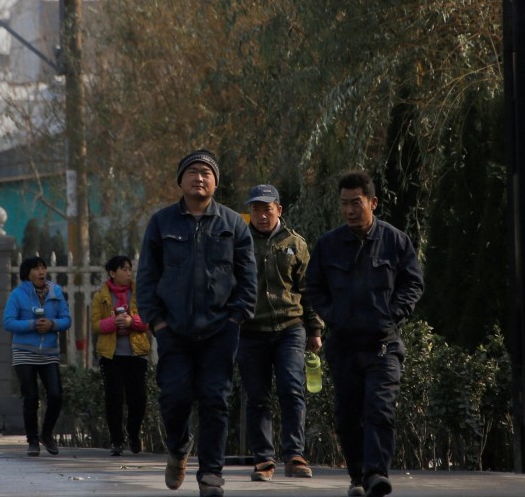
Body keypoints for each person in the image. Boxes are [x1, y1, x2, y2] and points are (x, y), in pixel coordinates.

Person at [136, 149, 257, 497]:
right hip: (172, 329)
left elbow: (248, 278)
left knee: (215, 400)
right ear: (181, 181)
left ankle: (211, 475)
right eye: (192, 172)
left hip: (220, 330)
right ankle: (178, 448)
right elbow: (147, 278)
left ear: (216, 182)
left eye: (206, 172)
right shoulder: (162, 223)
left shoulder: (234, 224)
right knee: (174, 397)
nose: (199, 178)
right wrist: (156, 322)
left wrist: (236, 318)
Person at [306, 171, 424, 497]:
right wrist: (331, 316)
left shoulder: (396, 241)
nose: (349, 211)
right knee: (347, 415)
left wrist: (392, 314)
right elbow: (314, 287)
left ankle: (376, 474)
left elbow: (412, 284)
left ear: (372, 202)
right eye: (344, 204)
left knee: (379, 408)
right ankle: (357, 475)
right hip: (343, 344)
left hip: (382, 344)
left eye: (355, 203)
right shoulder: (328, 245)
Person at [236, 183, 324, 482]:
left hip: (290, 328)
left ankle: (295, 454)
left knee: (291, 388)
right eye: (256, 209)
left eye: (267, 208)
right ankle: (264, 459)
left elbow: (308, 289)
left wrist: (315, 329)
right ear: (250, 212)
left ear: (279, 210)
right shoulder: (239, 243)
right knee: (257, 396)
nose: (262, 215)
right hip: (250, 330)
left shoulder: (295, 243)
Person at [2, 256, 72, 457]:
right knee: (31, 397)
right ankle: (32, 440)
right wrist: (32, 325)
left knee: (56, 395)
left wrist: (52, 324)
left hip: (49, 352)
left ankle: (47, 432)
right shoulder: (18, 295)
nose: (41, 271)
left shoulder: (56, 292)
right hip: (24, 352)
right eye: (36, 268)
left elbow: (66, 319)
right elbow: (8, 322)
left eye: (43, 267)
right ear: (27, 273)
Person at [90, 254, 150, 456]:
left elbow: (148, 320)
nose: (127, 273)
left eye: (129, 269)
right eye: (123, 269)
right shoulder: (101, 296)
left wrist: (132, 322)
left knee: (138, 398)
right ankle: (117, 440)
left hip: (136, 353)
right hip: (111, 355)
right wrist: (112, 323)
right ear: (112, 273)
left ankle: (133, 433)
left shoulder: (139, 293)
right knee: (114, 398)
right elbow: (95, 324)